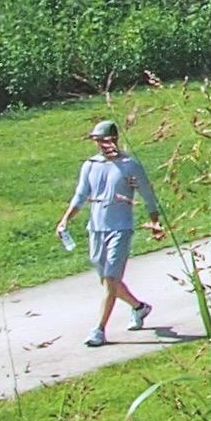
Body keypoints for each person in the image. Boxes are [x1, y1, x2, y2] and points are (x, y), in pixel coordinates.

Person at [59, 118, 177, 344]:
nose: (101, 145)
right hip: (96, 228)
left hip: (120, 228)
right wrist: (65, 220)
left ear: (114, 140)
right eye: (97, 141)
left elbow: (147, 195)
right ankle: (139, 307)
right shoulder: (90, 165)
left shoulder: (130, 165)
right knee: (106, 281)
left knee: (111, 278)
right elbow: (81, 195)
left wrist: (155, 222)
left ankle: (99, 330)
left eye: (104, 140)